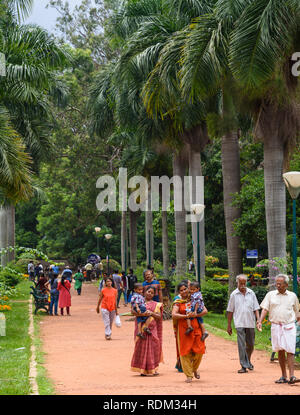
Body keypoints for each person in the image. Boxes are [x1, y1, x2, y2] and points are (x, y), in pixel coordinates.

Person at [257, 274, 300, 384]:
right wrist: (260, 321)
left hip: (289, 326)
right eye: (277, 283)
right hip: (276, 326)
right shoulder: (270, 295)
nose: (278, 285)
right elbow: (265, 309)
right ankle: (283, 376)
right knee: (280, 351)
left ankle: (292, 376)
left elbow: (297, 311)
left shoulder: (292, 296)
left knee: (290, 351)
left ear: (286, 284)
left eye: (280, 283)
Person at [172, 281, 207, 383]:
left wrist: (195, 315)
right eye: (181, 290)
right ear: (179, 292)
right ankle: (188, 375)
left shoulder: (195, 299)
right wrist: (186, 316)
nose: (183, 292)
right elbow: (174, 314)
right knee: (185, 352)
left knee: (199, 350)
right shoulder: (178, 302)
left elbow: (205, 311)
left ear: (188, 289)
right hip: (184, 330)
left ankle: (195, 368)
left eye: (185, 289)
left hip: (196, 328)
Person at [226, 274, 260, 373]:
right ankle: (243, 366)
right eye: (241, 283)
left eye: (244, 283)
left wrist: (258, 320)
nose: (243, 285)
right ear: (237, 283)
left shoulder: (251, 293)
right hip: (239, 323)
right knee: (241, 345)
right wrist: (229, 325)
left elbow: (256, 308)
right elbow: (230, 311)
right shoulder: (234, 294)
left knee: (250, 344)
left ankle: (248, 360)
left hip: (250, 323)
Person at [131, 286, 163, 376]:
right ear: (144, 292)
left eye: (152, 293)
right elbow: (132, 311)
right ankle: (142, 369)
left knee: (154, 347)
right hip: (140, 328)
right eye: (148, 291)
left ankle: (154, 369)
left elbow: (159, 316)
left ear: (154, 295)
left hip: (152, 329)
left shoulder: (156, 304)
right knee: (140, 347)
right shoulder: (139, 301)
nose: (150, 294)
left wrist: (151, 313)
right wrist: (141, 313)